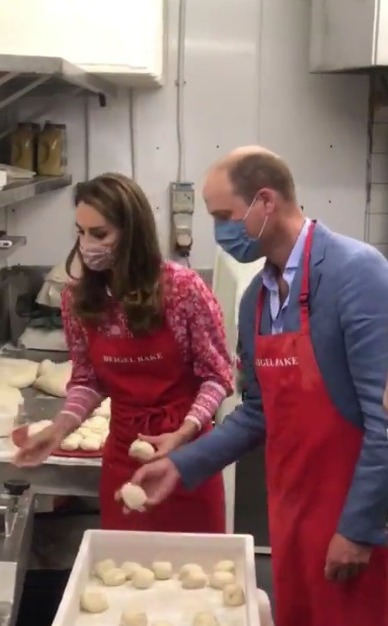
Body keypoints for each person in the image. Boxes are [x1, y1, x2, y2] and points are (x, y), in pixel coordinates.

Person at [129, 147, 388, 626]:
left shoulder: (357, 274)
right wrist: (181, 465)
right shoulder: (256, 300)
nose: (219, 232)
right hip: (291, 512)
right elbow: (257, 411)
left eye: (223, 215)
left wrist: (360, 528)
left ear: (265, 201)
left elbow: (385, 420)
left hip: (355, 513)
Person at [14, 172, 233, 533]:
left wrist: (184, 433)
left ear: (132, 234)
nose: (86, 244)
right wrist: (59, 428)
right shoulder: (79, 299)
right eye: (80, 232)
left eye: (99, 234)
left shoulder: (182, 291)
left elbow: (216, 376)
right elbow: (87, 379)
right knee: (123, 567)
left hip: (187, 453)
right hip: (123, 450)